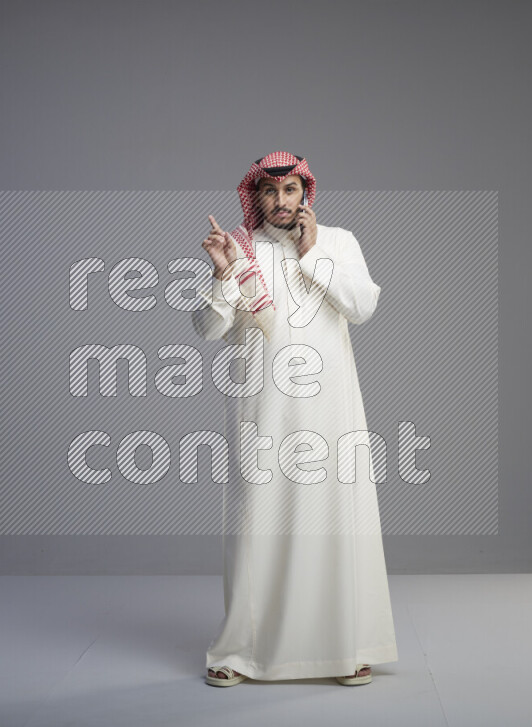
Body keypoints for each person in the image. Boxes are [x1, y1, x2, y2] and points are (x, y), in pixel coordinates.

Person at [192, 151, 398, 687]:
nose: (280, 202)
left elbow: (362, 307)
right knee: (256, 521)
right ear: (255, 196)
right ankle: (241, 651)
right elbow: (209, 329)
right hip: (261, 406)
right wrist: (222, 276)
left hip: (330, 408)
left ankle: (345, 646)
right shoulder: (237, 249)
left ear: (304, 193)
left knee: (334, 516)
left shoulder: (338, 241)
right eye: (269, 192)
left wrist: (311, 254)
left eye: (289, 191)